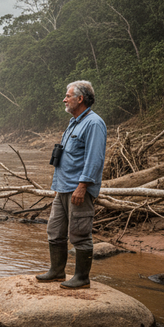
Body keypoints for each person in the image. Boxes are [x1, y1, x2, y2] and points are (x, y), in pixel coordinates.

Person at [36, 80, 107, 289]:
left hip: (78, 189)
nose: (64, 99)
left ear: (80, 99)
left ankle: (82, 278)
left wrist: (82, 186)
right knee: (55, 231)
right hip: (63, 187)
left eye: (68, 96)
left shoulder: (94, 123)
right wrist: (58, 186)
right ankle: (57, 271)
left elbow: (95, 159)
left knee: (80, 234)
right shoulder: (74, 122)